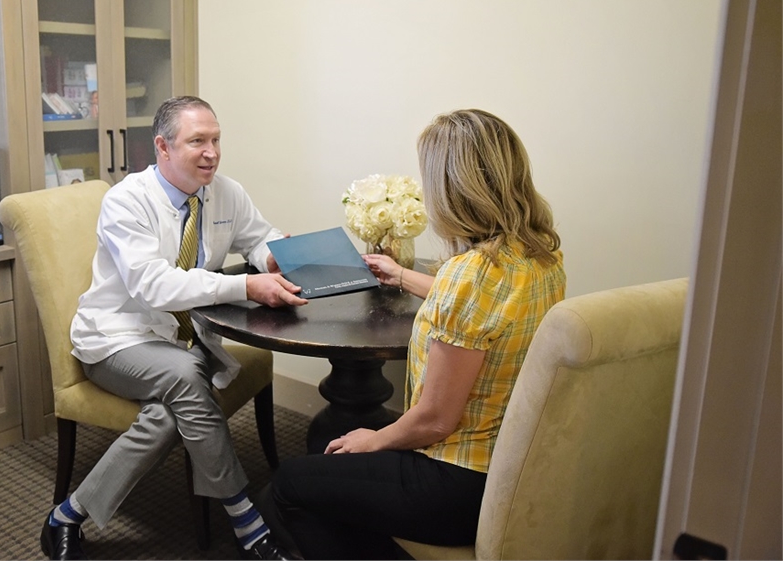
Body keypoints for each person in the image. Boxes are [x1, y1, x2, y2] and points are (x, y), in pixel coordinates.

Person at [262, 108, 567, 559]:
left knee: (285, 489)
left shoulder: (469, 275)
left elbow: (435, 420)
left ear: (453, 189)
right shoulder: (541, 254)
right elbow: (482, 313)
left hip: (454, 479)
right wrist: (402, 276)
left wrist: (373, 440)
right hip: (509, 465)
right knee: (334, 458)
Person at [40, 96, 306, 561]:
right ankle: (247, 520)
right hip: (115, 340)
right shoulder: (126, 201)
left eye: (216, 140)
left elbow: (258, 237)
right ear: (162, 147)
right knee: (186, 374)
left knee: (169, 412)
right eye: (197, 141)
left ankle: (68, 514)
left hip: (182, 343)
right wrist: (243, 283)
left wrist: (272, 256)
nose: (212, 153)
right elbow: (154, 287)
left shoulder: (225, 192)